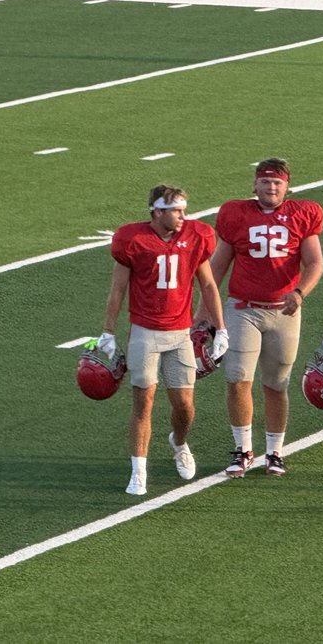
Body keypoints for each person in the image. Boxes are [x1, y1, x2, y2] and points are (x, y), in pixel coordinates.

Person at [98, 184, 227, 497]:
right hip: (144, 332)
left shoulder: (196, 237)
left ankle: (179, 442)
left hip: (181, 334)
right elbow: (118, 290)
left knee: (184, 406)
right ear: (156, 211)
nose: (183, 216)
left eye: (184, 209)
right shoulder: (133, 240)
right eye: (176, 210)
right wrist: (108, 331)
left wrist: (221, 328)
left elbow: (208, 286)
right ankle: (138, 471)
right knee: (143, 403)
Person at [206, 158, 323, 478]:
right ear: (255, 184)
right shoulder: (236, 214)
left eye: (277, 183)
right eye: (265, 181)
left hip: (284, 311)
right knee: (237, 379)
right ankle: (243, 450)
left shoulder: (303, 214)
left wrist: (300, 293)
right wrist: (204, 316)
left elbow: (315, 264)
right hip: (244, 309)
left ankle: (274, 452)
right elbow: (217, 268)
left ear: (287, 186)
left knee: (276, 384)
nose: (271, 187)